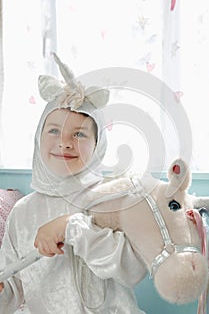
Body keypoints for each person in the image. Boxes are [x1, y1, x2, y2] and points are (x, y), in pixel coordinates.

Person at [0, 54, 147, 314]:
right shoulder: (22, 213)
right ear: (38, 138)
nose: (65, 142)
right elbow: (12, 291)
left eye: (79, 134)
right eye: (54, 131)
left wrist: (73, 228)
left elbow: (131, 269)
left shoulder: (110, 200)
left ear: (98, 144)